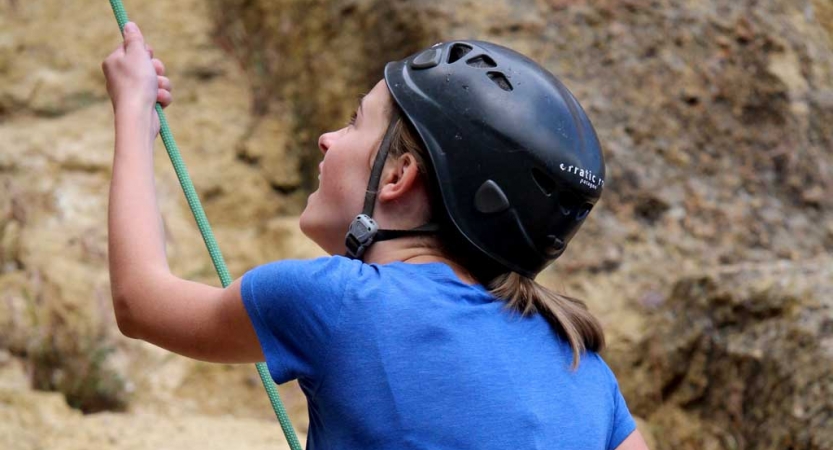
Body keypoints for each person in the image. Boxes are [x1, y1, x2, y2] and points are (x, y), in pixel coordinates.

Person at [102, 21, 649, 450]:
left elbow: (139, 300)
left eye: (353, 122)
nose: (325, 139)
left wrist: (133, 111)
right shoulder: (582, 366)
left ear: (396, 176)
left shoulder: (336, 300)